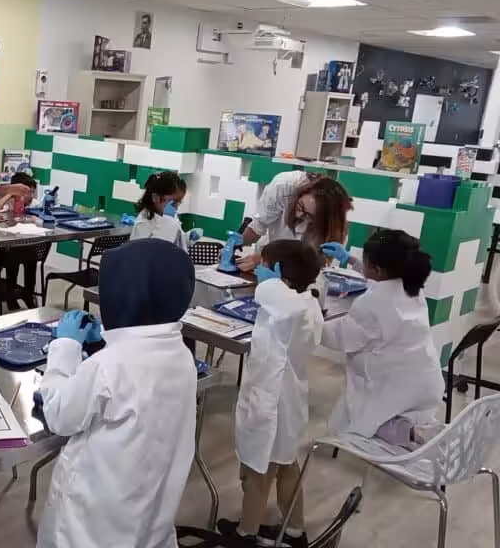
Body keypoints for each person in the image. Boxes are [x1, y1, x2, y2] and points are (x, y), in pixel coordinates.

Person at [37, 238, 197, 548]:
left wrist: (65, 347)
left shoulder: (109, 365)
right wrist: (108, 340)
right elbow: (138, 384)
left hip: (93, 524)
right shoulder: (180, 355)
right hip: (147, 510)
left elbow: (59, 415)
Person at [219, 240, 324, 548]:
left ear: (278, 272)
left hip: (273, 402)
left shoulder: (287, 304)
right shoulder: (308, 300)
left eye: (264, 264)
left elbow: (274, 298)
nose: (259, 269)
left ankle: (246, 533)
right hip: (287, 399)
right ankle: (294, 530)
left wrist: (270, 283)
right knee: (285, 464)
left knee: (258, 471)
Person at [321, 230, 443, 447]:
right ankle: (413, 431)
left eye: (366, 262)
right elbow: (381, 282)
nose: (364, 265)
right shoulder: (410, 285)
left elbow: (339, 337)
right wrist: (350, 260)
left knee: (357, 420)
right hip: (425, 379)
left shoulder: (373, 303)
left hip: (393, 386)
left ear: (377, 268)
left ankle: (407, 435)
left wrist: (305, 313)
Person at [237, 172, 352, 271]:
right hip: (272, 250)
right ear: (302, 192)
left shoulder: (332, 224)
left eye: (309, 215)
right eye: (300, 206)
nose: (299, 215)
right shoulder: (282, 186)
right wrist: (235, 243)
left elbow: (310, 261)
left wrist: (264, 260)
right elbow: (258, 225)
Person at [0, 172, 42, 309]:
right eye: (27, 192)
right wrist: (10, 193)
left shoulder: (34, 203)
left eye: (32, 193)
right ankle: (11, 296)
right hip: (8, 244)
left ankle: (28, 293)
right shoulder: (9, 202)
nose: (31, 197)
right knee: (12, 258)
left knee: (31, 258)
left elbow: (40, 219)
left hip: (27, 243)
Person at [130, 170, 201, 251]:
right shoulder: (143, 223)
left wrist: (187, 238)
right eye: (173, 202)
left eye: (179, 202)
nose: (176, 207)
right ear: (155, 197)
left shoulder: (170, 216)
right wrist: (167, 221)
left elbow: (176, 240)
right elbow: (153, 250)